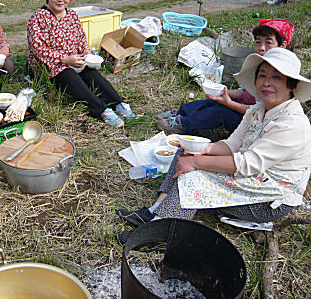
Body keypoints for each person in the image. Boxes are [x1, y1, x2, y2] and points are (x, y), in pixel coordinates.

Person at [118, 48, 311, 237]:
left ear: (291, 85)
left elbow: (247, 164)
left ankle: (160, 233)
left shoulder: (291, 123)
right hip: (253, 180)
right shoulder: (258, 110)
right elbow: (231, 145)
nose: (267, 83)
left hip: (268, 201)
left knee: (196, 173)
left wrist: (197, 163)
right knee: (187, 151)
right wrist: (199, 150)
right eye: (262, 76)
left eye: (276, 77)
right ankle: (156, 209)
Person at [27, 0, 137, 127]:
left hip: (74, 60)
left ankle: (119, 104)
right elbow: (38, 49)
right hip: (51, 65)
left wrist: (85, 53)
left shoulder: (72, 15)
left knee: (91, 74)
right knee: (70, 76)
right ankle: (101, 110)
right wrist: (65, 59)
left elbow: (81, 38)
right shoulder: (39, 17)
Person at [155, 19, 294, 134]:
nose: (262, 48)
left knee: (222, 110)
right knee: (215, 100)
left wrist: (230, 104)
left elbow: (261, 111)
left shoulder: (283, 74)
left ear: (282, 45)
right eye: (258, 42)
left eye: (268, 43)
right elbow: (245, 92)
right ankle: (180, 113)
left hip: (257, 125)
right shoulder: (259, 64)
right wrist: (223, 92)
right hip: (248, 110)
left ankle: (183, 125)